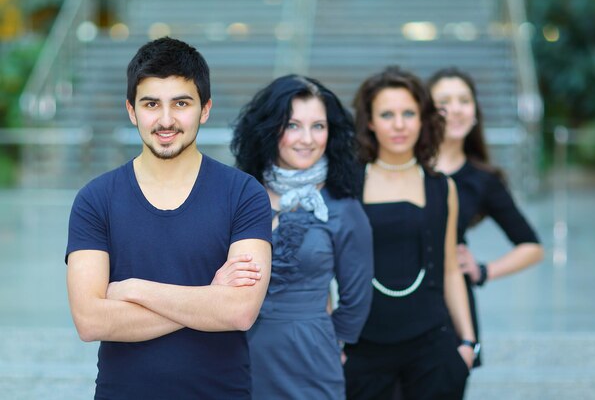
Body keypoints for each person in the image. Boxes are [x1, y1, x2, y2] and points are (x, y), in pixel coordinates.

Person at [65, 37, 272, 399]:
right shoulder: (95, 199)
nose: (165, 120)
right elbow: (90, 320)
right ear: (131, 111)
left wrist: (133, 290)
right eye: (150, 104)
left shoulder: (243, 193)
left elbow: (239, 312)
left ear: (205, 109)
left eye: (181, 103)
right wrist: (210, 299)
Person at [231, 74, 374, 399]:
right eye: (293, 125)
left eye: (318, 126)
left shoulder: (343, 208)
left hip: (311, 361)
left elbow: (356, 301)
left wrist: (323, 339)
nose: (307, 139)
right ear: (269, 129)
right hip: (235, 355)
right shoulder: (238, 195)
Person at [344, 66, 476, 400]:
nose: (399, 125)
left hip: (433, 348)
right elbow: (326, 263)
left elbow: (449, 268)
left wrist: (468, 343)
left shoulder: (441, 187)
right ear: (370, 122)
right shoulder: (348, 184)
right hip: (364, 350)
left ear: (422, 119)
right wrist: (335, 342)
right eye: (387, 114)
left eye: (408, 113)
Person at [427, 67, 544, 366]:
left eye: (464, 101)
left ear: (475, 112)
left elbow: (532, 247)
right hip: (394, 298)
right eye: (444, 102)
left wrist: (483, 270)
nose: (455, 110)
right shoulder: (403, 165)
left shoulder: (483, 178)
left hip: (452, 311)